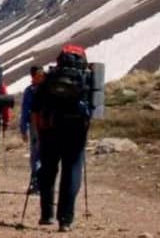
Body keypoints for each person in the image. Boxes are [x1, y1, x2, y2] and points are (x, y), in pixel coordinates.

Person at [32, 45, 95, 233]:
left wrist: (39, 131)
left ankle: (46, 215)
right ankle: (65, 219)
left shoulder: (50, 77)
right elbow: (94, 107)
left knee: (48, 170)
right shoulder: (88, 78)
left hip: (51, 129)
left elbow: (36, 107)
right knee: (72, 170)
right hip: (76, 132)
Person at [20, 65, 46, 193]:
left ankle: (35, 183)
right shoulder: (49, 88)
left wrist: (23, 129)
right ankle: (45, 183)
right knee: (44, 154)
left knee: (35, 154)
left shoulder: (30, 90)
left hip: (35, 124)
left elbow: (25, 111)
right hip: (49, 124)